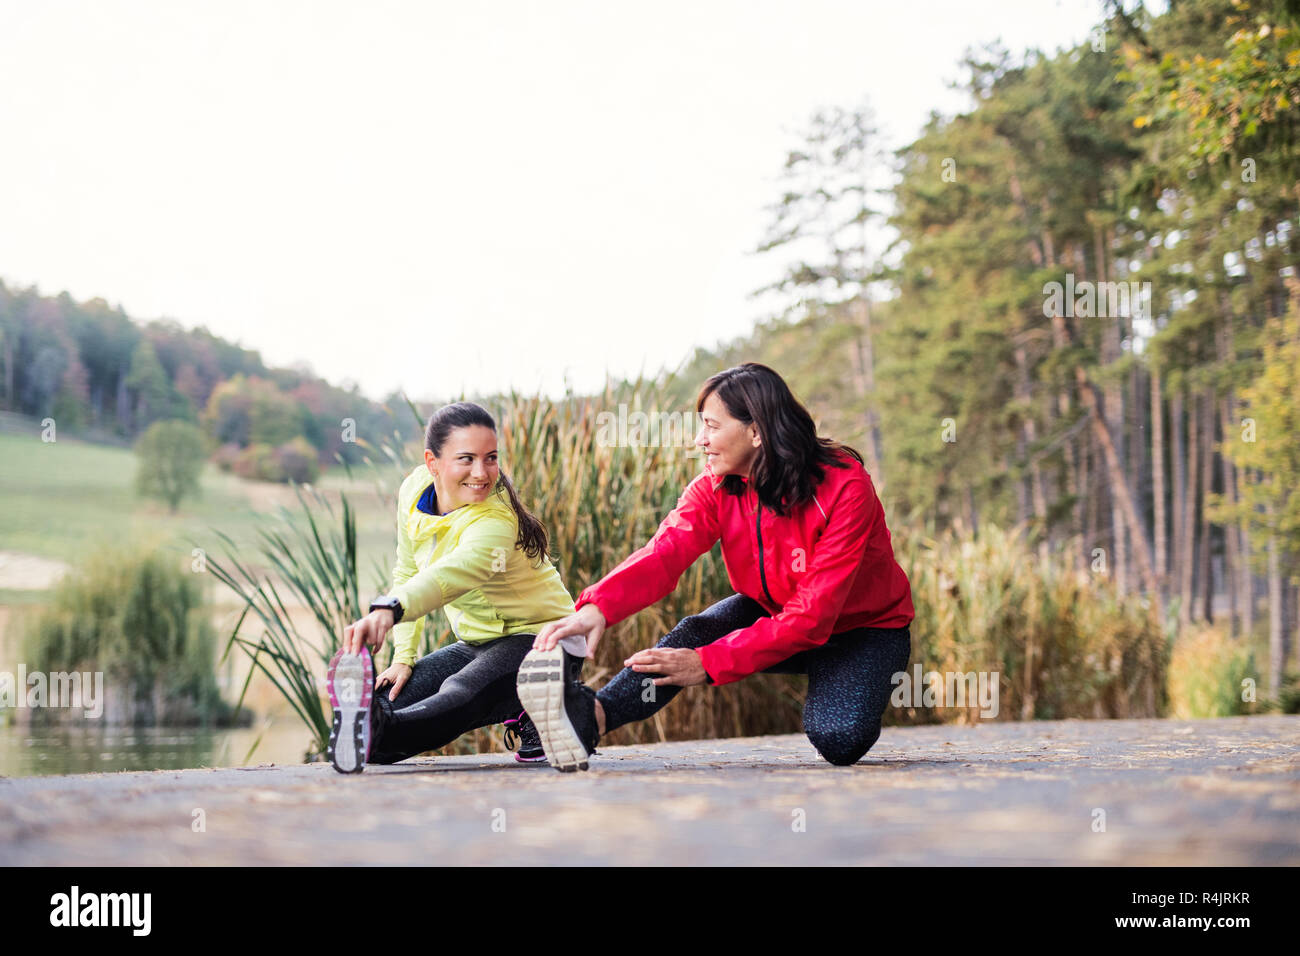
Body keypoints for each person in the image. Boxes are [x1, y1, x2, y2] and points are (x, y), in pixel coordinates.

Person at [518, 363, 914, 771]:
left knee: (839, 740)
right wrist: (596, 608)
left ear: (756, 431)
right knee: (695, 633)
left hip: (865, 631)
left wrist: (707, 663)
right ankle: (590, 719)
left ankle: (840, 676)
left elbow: (812, 616)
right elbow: (665, 552)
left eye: (711, 426)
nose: (699, 440)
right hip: (776, 613)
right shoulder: (716, 485)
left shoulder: (845, 486)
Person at [327, 401, 584, 773]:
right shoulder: (415, 492)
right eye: (466, 459)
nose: (481, 473)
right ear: (433, 463)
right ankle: (372, 731)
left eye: (491, 458)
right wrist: (403, 658)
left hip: (546, 642)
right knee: (383, 721)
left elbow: (452, 574)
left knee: (461, 691)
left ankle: (553, 700)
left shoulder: (495, 520)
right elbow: (409, 569)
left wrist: (391, 608)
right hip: (478, 644)